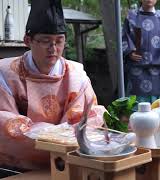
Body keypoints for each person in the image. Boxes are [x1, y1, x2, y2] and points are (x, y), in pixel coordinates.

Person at [0, 0, 104, 170]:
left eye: (59, 41)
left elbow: (84, 122)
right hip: (18, 167)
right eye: (45, 41)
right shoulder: (5, 73)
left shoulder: (76, 76)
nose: (53, 48)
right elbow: (5, 126)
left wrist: (51, 136)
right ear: (28, 40)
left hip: (68, 164)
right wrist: (58, 136)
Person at [122, 0, 160, 103]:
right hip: (136, 70)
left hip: (157, 70)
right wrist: (130, 53)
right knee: (135, 105)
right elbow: (124, 37)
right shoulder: (131, 16)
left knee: (158, 106)